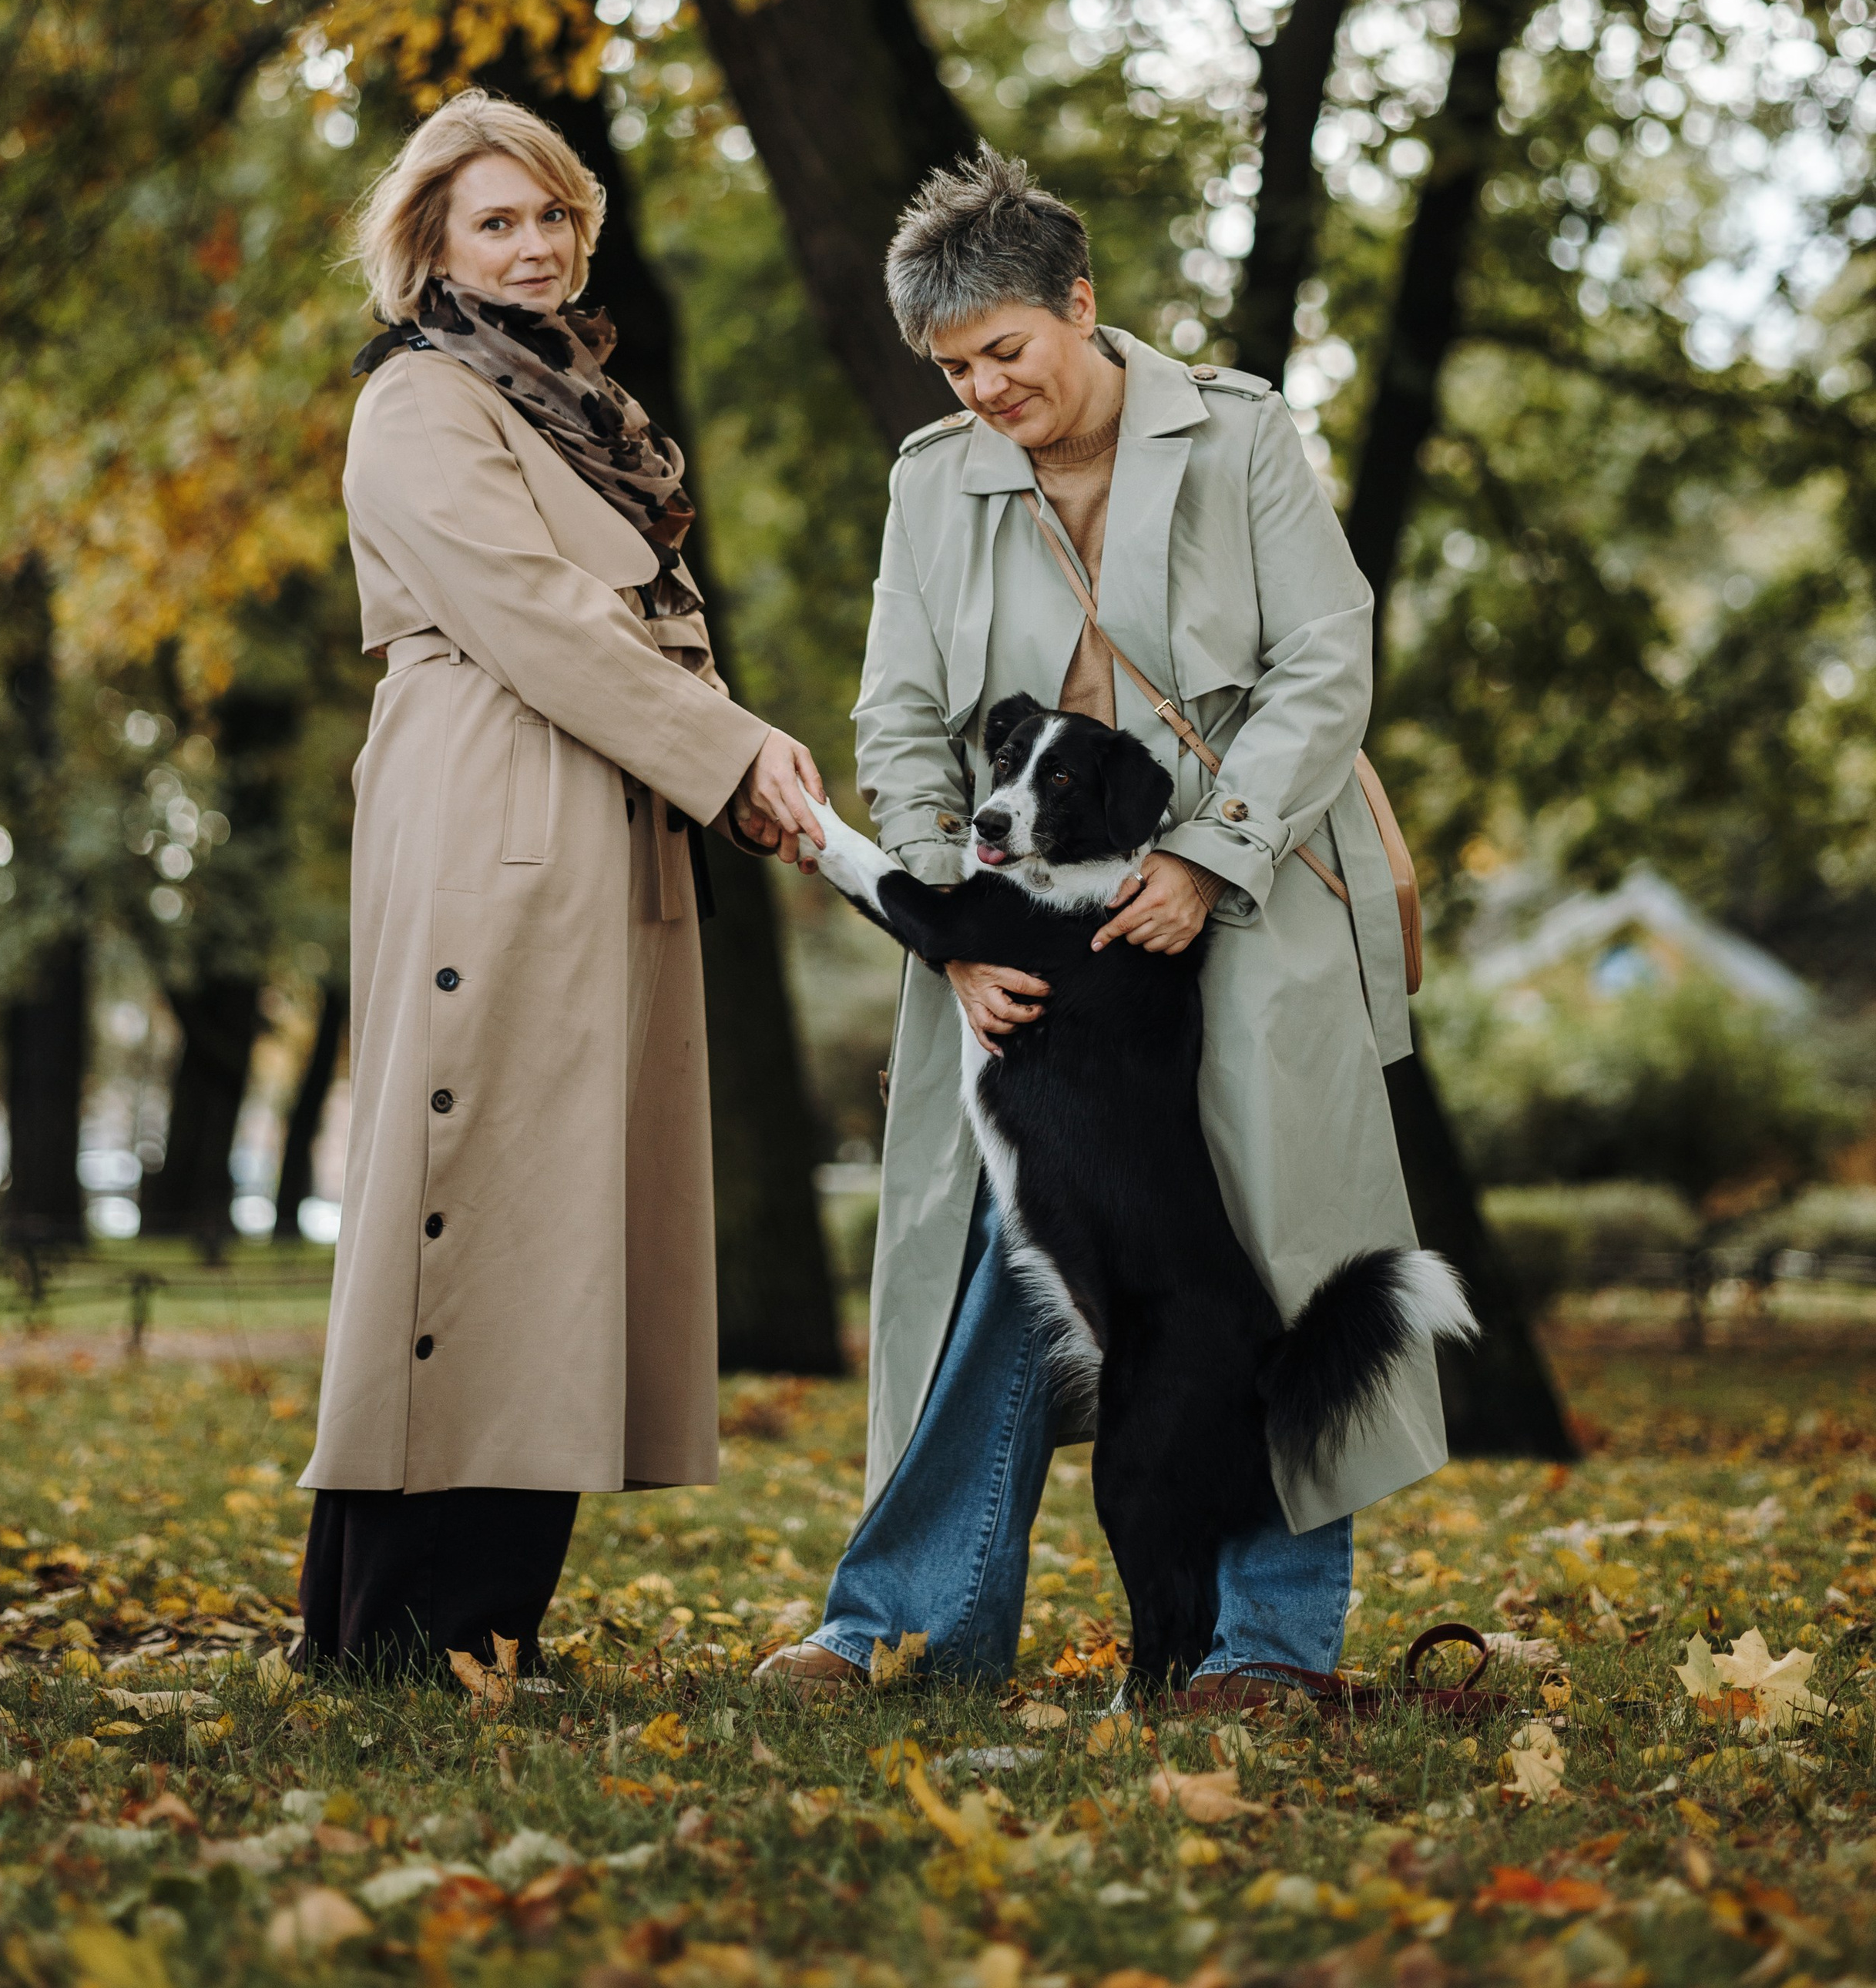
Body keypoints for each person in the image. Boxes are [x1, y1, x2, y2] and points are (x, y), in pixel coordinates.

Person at [758, 147, 1445, 1700]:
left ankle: (1262, 1648)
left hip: (1254, 885)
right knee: (995, 1250)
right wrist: (947, 924)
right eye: (953, 369)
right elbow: (899, 716)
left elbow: (1325, 659)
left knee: (1268, 1248)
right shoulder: (931, 482)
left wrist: (1206, 856)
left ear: (1079, 301)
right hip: (1025, 920)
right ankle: (905, 1628)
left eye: (1004, 350)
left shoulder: (1239, 431)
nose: (984, 390)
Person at [298, 89, 824, 1672]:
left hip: (610, 804)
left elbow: (644, 616)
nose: (532, 246)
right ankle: (398, 1624)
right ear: (432, 244)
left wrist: (732, 768)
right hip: (493, 800)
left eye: (551, 217)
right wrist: (726, 748)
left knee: (560, 1212)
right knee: (469, 1187)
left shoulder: (580, 407)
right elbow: (534, 612)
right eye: (496, 222)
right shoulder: (421, 401)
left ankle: (479, 1620)